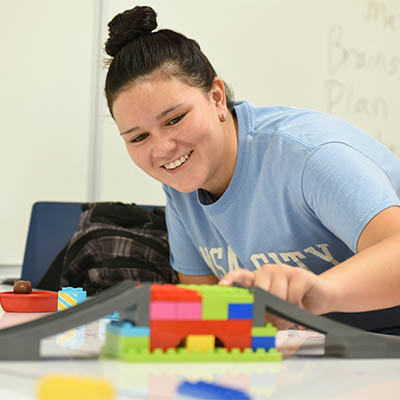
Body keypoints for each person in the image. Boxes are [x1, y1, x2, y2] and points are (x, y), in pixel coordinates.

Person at [104, 5, 400, 331]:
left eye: (175, 119)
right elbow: (207, 309)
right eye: (139, 137)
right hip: (329, 354)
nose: (161, 149)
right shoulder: (183, 187)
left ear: (216, 98)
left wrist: (317, 294)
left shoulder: (308, 155)